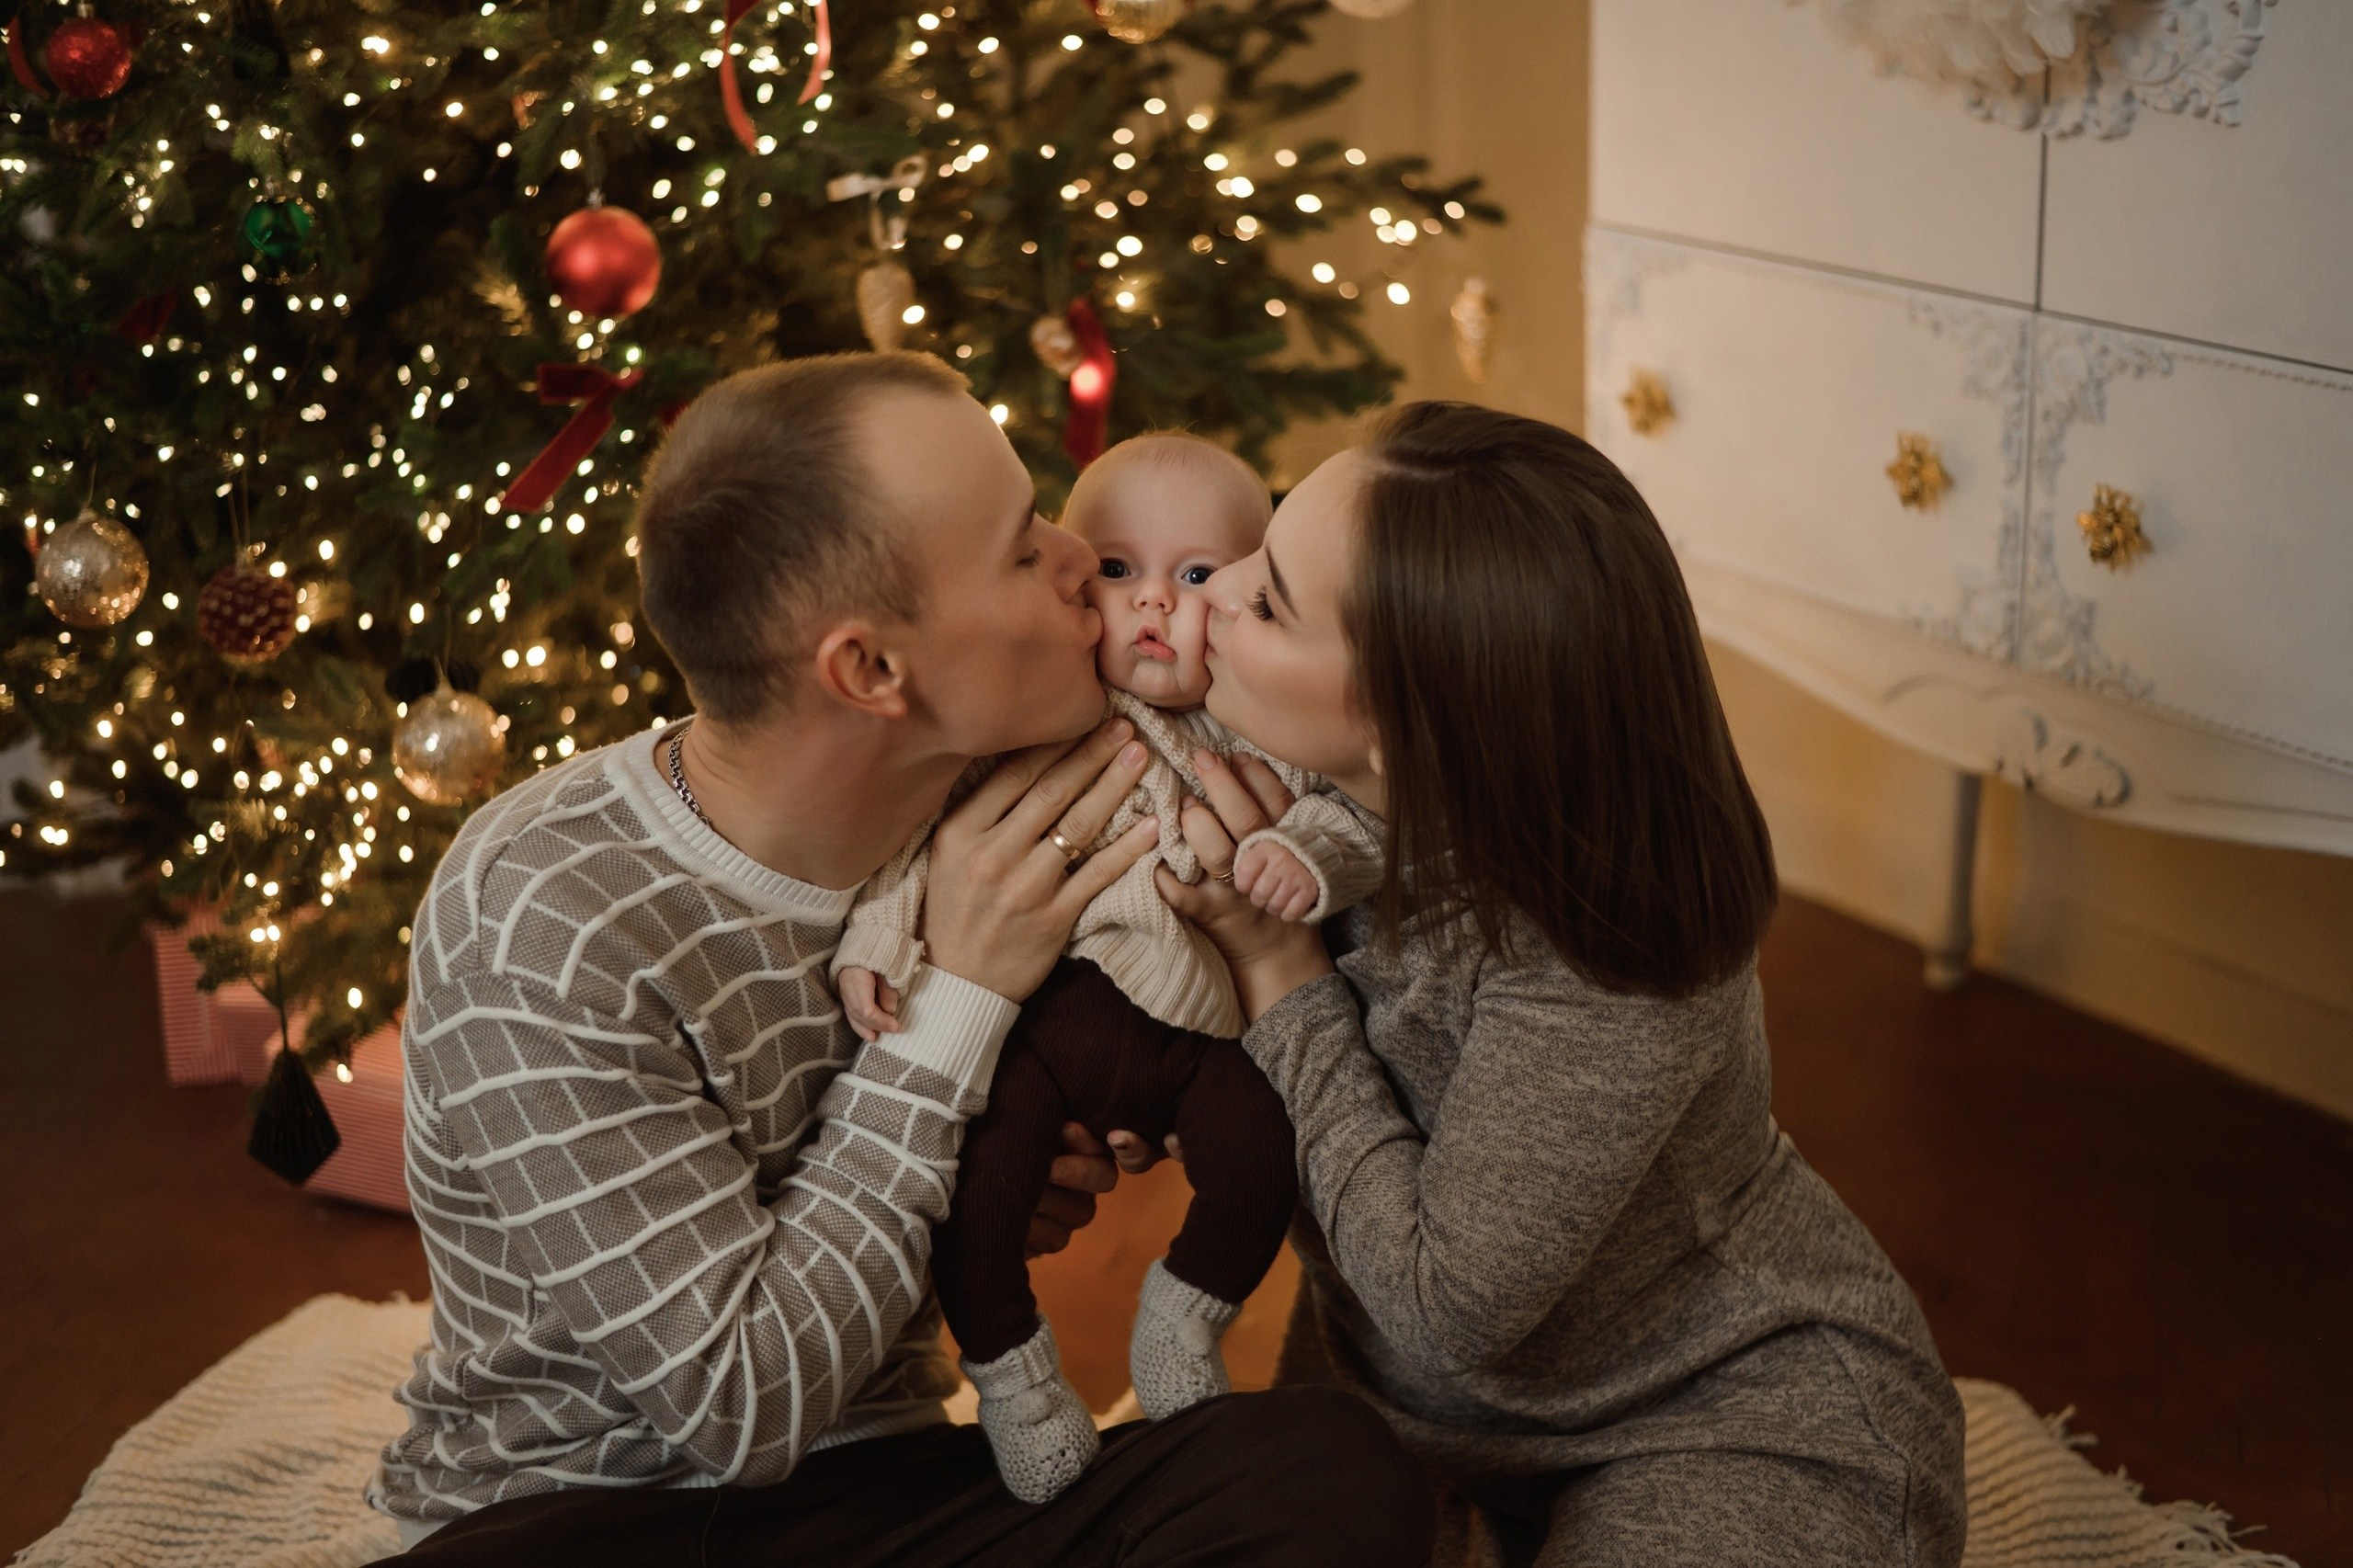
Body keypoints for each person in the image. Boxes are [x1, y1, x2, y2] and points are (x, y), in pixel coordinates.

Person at [365, 353, 1435, 1567]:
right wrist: (955, 1009)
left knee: (1327, 1472)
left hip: (884, 1485)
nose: (1083, 556)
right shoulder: (549, 911)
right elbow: (738, 1406)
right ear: (872, 672)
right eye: (1024, 546)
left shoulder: (1032, 807)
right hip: (592, 1516)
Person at [1142, 402, 1969, 1567]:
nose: (1211, 590)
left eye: (1267, 600)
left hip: (1725, 1422)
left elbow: (1446, 1314)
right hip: (1416, 1418)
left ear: (1405, 724)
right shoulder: (1280, 770)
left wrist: (1278, 972)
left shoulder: (1608, 951)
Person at [833, 433, 1382, 1502]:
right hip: (1041, 1029)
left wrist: (1300, 857)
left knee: (1264, 1153)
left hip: (1200, 1033)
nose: (1150, 606)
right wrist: (874, 945)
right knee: (979, 1189)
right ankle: (1012, 1377)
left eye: (1193, 577)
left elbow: (1354, 818)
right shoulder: (1034, 715)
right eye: (1117, 570)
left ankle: (1183, 1317)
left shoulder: (1258, 729)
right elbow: (915, 840)